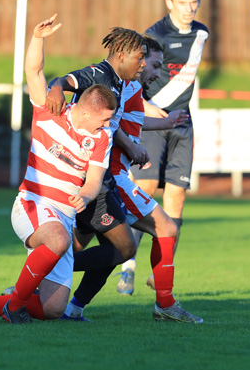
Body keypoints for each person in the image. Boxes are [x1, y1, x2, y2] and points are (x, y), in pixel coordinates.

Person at [0, 14, 116, 324]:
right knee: (59, 240)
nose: (107, 125)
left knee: (52, 309)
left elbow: (93, 182)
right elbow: (33, 71)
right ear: (86, 113)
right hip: (32, 204)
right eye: (103, 119)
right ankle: (14, 306)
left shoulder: (102, 137)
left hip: (63, 216)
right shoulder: (52, 111)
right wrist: (38, 38)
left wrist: (86, 198)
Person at [64, 36, 202, 323]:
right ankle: (164, 304)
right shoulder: (119, 85)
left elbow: (129, 122)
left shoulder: (132, 87)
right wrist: (131, 147)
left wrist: (162, 124)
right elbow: (109, 124)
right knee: (165, 228)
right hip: (109, 177)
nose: (152, 70)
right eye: (150, 63)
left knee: (86, 248)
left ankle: (62, 302)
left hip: (110, 176)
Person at [118, 0, 210, 295]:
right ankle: (127, 266)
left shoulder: (202, 34)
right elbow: (134, 76)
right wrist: (144, 105)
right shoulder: (154, 35)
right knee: (144, 190)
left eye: (193, 1)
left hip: (183, 126)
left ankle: (161, 273)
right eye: (182, 2)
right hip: (155, 124)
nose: (189, 8)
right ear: (169, 3)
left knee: (177, 198)